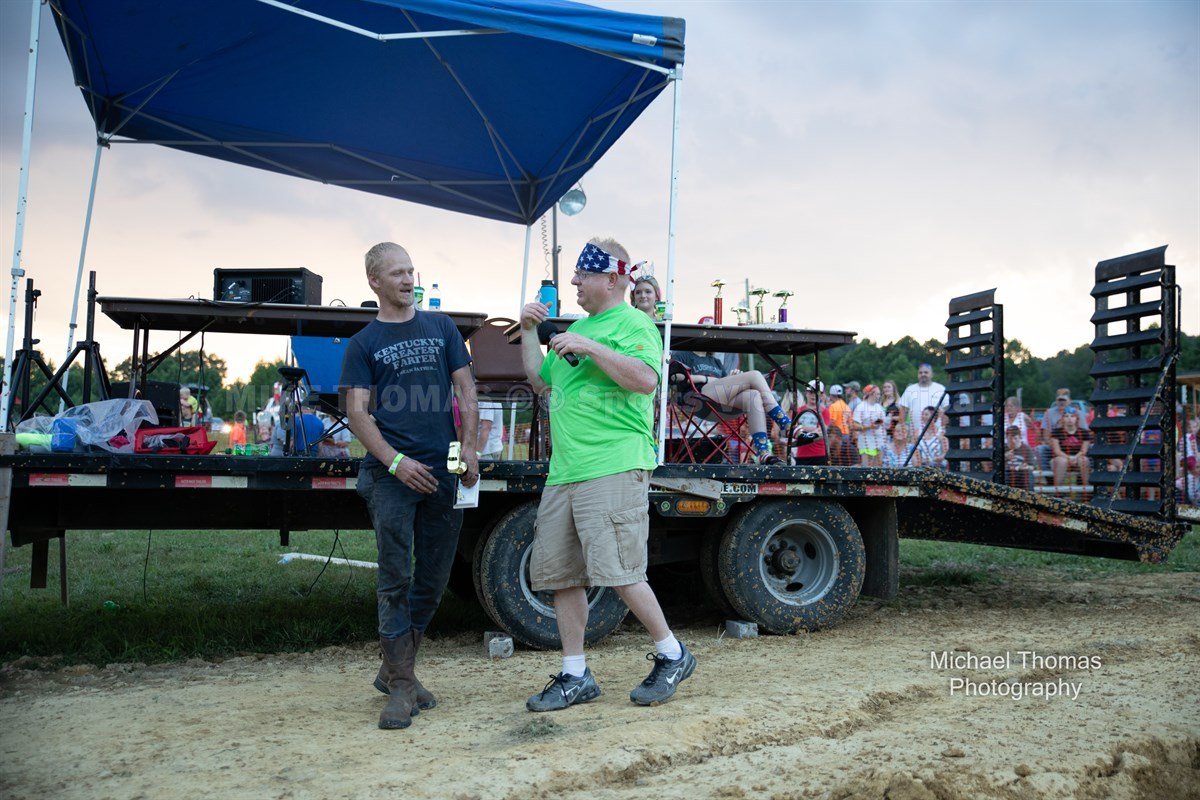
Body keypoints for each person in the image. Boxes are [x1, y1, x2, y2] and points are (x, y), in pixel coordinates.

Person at [519, 236, 695, 713]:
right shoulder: (579, 328)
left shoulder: (635, 323)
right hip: (565, 471)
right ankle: (575, 674)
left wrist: (590, 345)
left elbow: (646, 379)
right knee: (562, 575)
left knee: (619, 571)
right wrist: (529, 332)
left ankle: (672, 653)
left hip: (614, 464)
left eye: (584, 274)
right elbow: (540, 382)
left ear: (614, 279)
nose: (575, 281)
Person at [342, 241, 479, 730]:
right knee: (395, 577)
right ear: (374, 281)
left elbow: (466, 390)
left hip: (442, 472)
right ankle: (402, 685)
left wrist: (470, 447)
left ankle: (395, 670)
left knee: (435, 577)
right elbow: (357, 412)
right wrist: (396, 462)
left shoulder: (441, 327)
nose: (407, 280)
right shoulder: (363, 344)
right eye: (397, 273)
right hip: (391, 476)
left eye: (411, 271)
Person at [669, 349, 790, 465]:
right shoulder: (683, 354)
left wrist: (733, 378)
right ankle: (786, 425)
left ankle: (763, 452)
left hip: (720, 405)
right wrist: (706, 379)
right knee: (755, 375)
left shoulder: (715, 361)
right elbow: (675, 377)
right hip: (698, 399)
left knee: (754, 396)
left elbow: (723, 383)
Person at [1050, 405, 1091, 492]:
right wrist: (1069, 458)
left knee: (1084, 460)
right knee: (1062, 461)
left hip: (1078, 458)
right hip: (1060, 459)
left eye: (1072, 416)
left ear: (1076, 418)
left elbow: (1084, 450)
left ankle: (1087, 491)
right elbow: (1057, 451)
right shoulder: (1056, 432)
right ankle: (1057, 492)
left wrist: (1075, 457)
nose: (1069, 419)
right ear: (1062, 418)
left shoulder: (1084, 432)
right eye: (1066, 416)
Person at [899, 363, 948, 432]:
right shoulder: (910, 389)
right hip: (915, 433)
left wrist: (943, 428)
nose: (923, 374)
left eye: (926, 372)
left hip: (936, 433)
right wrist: (903, 428)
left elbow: (946, 409)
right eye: (920, 373)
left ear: (932, 374)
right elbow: (903, 410)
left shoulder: (940, 388)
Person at [791, 380, 830, 465]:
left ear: (822, 395)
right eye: (811, 392)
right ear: (806, 393)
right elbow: (794, 430)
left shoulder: (824, 411)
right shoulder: (799, 410)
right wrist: (813, 431)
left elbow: (822, 432)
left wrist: (802, 430)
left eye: (817, 393)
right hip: (801, 454)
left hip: (819, 454)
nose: (814, 395)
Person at [851, 384, 886, 466]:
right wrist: (870, 427)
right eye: (878, 394)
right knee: (867, 469)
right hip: (866, 443)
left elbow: (884, 423)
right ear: (871, 394)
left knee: (878, 469)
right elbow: (854, 425)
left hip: (879, 442)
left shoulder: (879, 407)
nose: (879, 396)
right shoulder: (861, 407)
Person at [1004, 424, 1037, 489]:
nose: (1013, 441)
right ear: (1007, 438)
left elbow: (1032, 466)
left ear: (1020, 437)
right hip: (1007, 473)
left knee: (1027, 474)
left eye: (1015, 438)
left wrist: (1026, 467)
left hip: (1021, 473)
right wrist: (1004, 457)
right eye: (1010, 438)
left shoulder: (1027, 449)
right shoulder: (1002, 448)